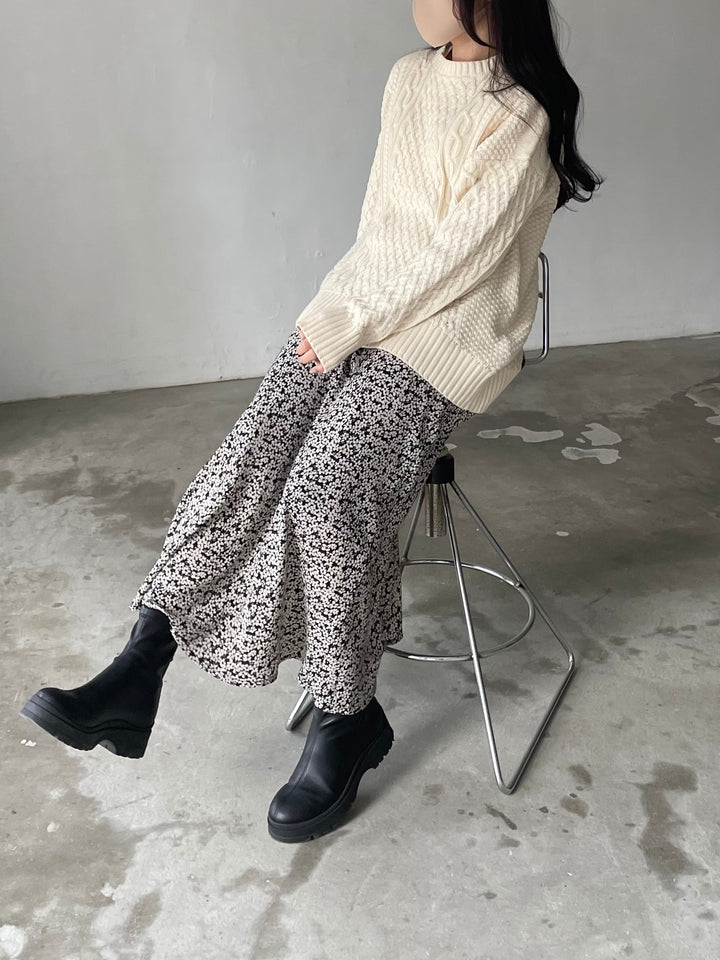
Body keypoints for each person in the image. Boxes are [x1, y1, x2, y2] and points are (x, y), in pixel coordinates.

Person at [19, 0, 603, 843]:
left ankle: (347, 715)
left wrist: (353, 322)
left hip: (448, 335)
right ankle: (140, 666)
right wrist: (333, 314)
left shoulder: (521, 114)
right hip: (362, 313)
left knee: (325, 490)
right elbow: (384, 230)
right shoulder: (409, 79)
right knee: (249, 457)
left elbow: (455, 260)